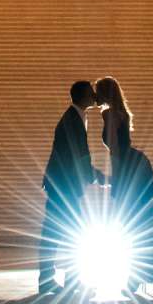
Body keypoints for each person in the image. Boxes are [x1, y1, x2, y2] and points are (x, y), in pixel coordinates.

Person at [94, 76, 153, 290]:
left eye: (97, 91)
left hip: (129, 168)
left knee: (129, 223)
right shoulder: (121, 113)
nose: (94, 96)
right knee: (139, 222)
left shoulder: (109, 114)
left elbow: (116, 152)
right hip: (138, 165)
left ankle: (135, 277)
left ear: (105, 94)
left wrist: (117, 182)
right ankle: (138, 275)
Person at [38, 79, 100, 292]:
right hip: (64, 186)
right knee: (67, 232)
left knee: (60, 232)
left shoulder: (74, 117)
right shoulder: (73, 120)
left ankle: (52, 280)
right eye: (91, 92)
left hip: (63, 184)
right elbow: (79, 155)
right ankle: (67, 281)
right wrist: (96, 176)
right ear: (83, 96)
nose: (94, 95)